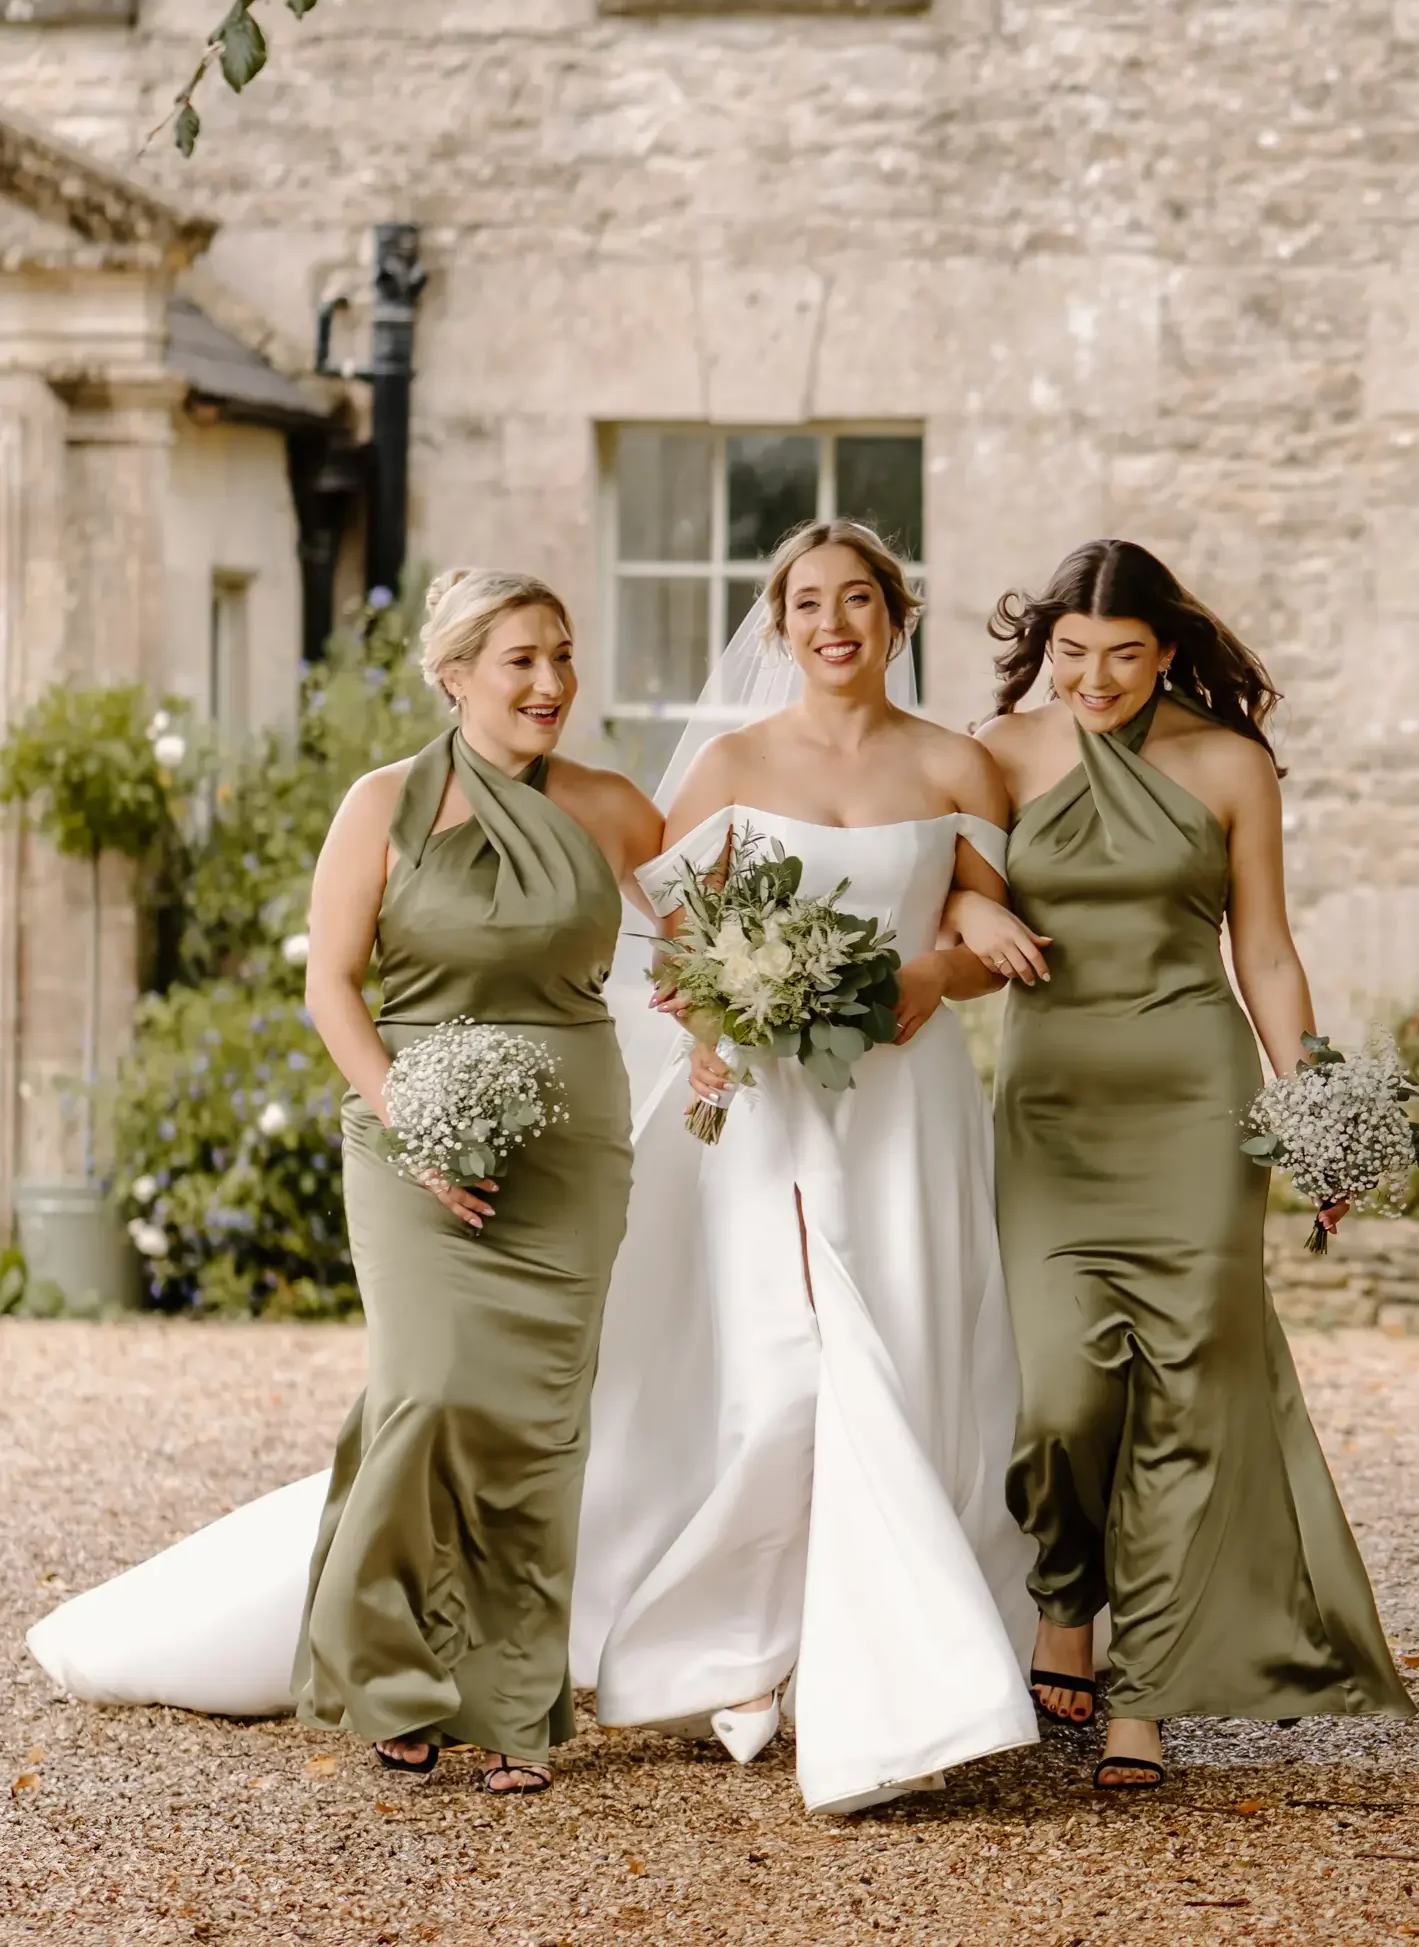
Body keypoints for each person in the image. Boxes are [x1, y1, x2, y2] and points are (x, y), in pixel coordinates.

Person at [26, 570, 662, 1798]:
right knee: (424, 1395)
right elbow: (333, 986)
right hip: (407, 1133)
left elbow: (704, 930)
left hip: (571, 1148)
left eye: (563, 658)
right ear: (456, 672)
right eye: (521, 659)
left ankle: (516, 1704)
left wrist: (739, 987)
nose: (550, 684)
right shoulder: (381, 806)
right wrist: (411, 1120)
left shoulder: (614, 808)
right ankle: (394, 1669)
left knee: (535, 1427)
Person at [569, 520, 1040, 1814]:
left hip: (906, 1104)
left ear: (897, 617)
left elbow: (974, 914)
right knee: (782, 1376)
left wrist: (939, 964)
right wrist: (721, 1023)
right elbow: (665, 939)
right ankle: (735, 1642)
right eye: (806, 603)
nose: (833, 622)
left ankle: (873, 1658)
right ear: (777, 627)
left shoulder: (954, 762)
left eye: (858, 600)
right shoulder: (726, 764)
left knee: (910, 1352)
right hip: (768, 1108)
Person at [945, 538, 1412, 1793]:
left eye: (1121, 656)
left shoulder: (1227, 762)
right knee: (1061, 1398)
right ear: (1043, 644)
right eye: (1071, 654)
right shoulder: (991, 756)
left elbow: (1262, 950)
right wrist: (972, 909)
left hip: (1196, 1110)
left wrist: (1311, 1103)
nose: (1092, 679)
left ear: (1165, 651)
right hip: (1051, 1109)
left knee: (1185, 1395)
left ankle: (1139, 1688)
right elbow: (929, 898)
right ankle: (1062, 1603)